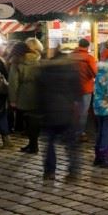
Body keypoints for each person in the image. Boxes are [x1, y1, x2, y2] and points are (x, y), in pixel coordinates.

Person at [37, 48, 81, 180]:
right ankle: (73, 171)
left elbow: (39, 93)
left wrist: (40, 110)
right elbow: (78, 92)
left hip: (49, 112)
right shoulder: (72, 70)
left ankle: (50, 172)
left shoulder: (45, 70)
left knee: (49, 144)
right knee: (71, 144)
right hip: (67, 112)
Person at [8, 38, 43, 154]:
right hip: (38, 93)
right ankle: (33, 144)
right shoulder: (39, 59)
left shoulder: (17, 61)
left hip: (24, 94)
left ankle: (33, 145)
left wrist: (12, 99)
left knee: (28, 120)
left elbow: (13, 82)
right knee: (35, 121)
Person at [70, 38, 97, 143]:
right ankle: (80, 133)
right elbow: (95, 73)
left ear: (78, 45)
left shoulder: (71, 56)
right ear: (87, 47)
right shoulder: (89, 58)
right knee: (83, 112)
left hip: (73, 88)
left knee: (74, 110)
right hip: (86, 88)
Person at [0, 43, 11, 149]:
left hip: (0, 93)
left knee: (1, 115)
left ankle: (6, 140)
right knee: (1, 115)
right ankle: (6, 140)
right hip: (1, 93)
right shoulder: (1, 61)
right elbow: (7, 76)